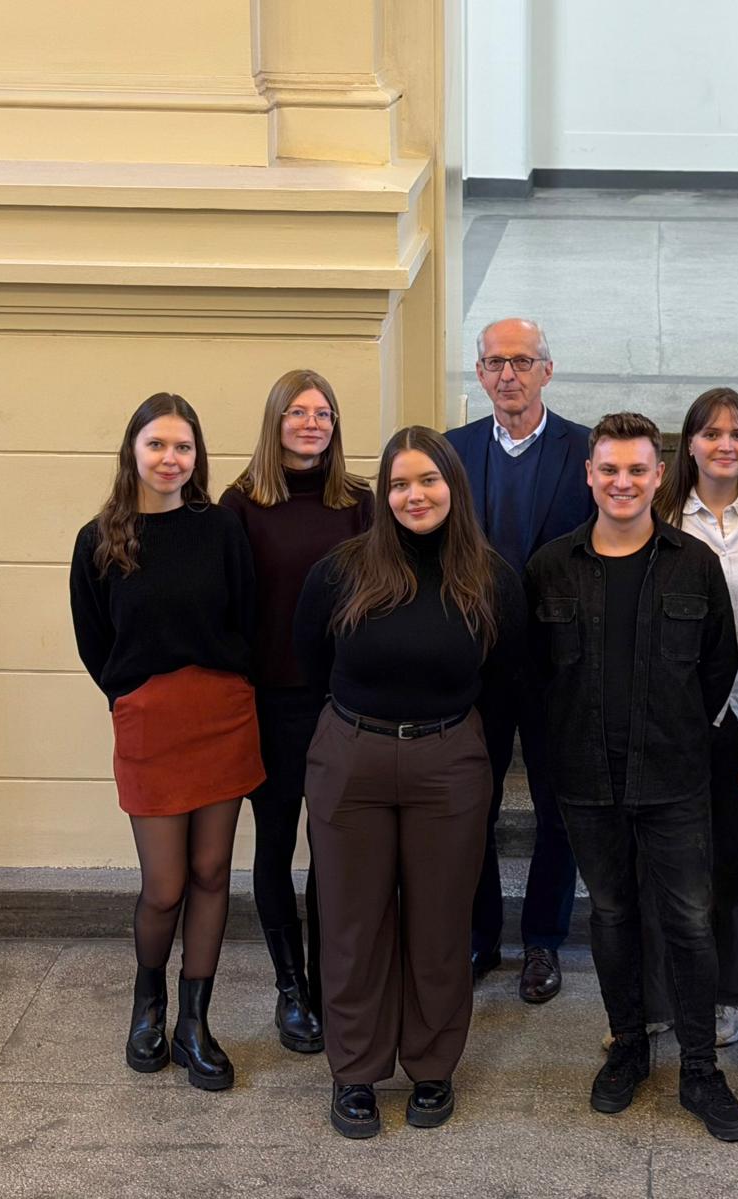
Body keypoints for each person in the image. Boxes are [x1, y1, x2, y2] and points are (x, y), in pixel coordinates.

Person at [293, 426, 525, 1139]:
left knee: (440, 924)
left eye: (428, 480)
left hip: (448, 762)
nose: (414, 495)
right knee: (352, 924)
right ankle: (355, 1073)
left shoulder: (490, 578)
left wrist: (478, 770)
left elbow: (507, 686)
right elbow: (308, 663)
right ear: (383, 494)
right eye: (399, 483)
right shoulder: (340, 571)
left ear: (453, 486)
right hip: (351, 758)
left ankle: (431, 1066)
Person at [526, 411, 738, 1142]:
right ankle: (628, 1044)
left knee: (688, 918)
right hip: (585, 776)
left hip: (675, 776)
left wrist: (677, 731)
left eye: (636, 469)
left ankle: (700, 1067)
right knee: (613, 913)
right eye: (609, 469)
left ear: (659, 476)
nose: (622, 482)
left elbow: (718, 665)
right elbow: (534, 675)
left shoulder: (694, 564)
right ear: (589, 475)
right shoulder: (550, 567)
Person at [69, 393, 263, 1092]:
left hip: (222, 716)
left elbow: (248, 617)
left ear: (197, 456)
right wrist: (132, 700)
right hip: (150, 723)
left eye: (183, 446)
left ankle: (194, 1023)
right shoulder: (99, 539)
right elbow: (95, 642)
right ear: (133, 451)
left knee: (212, 872)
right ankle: (147, 1003)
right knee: (164, 885)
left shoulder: (221, 529)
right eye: (157, 444)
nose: (170, 458)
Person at [220, 369, 371, 1055]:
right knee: (277, 844)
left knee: (335, 850)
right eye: (299, 412)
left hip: (345, 703)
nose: (313, 424)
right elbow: (228, 607)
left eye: (324, 414)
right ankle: (291, 989)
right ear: (275, 421)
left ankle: (332, 983)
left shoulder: (360, 504)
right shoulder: (241, 505)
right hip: (271, 703)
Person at [644, 388, 738, 1048]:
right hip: (679, 710)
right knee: (670, 860)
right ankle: (662, 994)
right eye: (711, 433)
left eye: (737, 433)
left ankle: (726, 993)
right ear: (690, 444)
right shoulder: (659, 513)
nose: (725, 445)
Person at [447, 317, 592, 1003]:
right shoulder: (452, 452)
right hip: (474, 667)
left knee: (557, 813)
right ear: (479, 373)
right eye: (495, 362)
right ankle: (479, 936)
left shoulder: (585, 451)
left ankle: (542, 941)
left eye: (523, 361)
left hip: (558, 666)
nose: (509, 374)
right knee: (472, 807)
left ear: (547, 370)